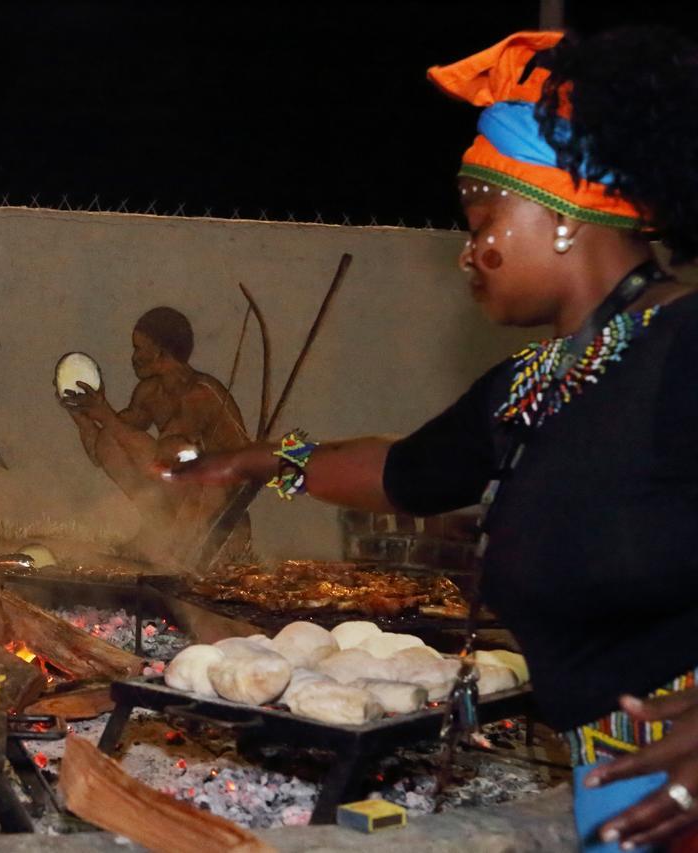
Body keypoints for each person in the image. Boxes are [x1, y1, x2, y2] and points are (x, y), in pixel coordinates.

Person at [168, 29, 698, 851]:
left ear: (560, 214)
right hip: (618, 784)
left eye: (481, 217)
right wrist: (272, 458)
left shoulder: (683, 345)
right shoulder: (535, 382)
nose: (467, 254)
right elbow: (409, 470)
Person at [65, 306, 249, 566]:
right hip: (180, 493)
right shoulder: (149, 393)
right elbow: (103, 450)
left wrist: (105, 413)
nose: (134, 357)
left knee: (175, 451)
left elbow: (172, 453)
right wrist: (84, 419)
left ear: (161, 352)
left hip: (214, 508)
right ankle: (158, 528)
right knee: (111, 437)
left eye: (139, 348)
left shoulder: (200, 394)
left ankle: (181, 541)